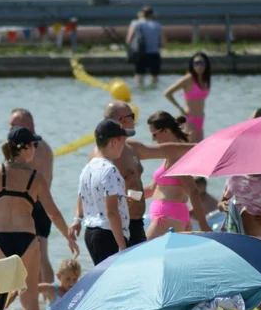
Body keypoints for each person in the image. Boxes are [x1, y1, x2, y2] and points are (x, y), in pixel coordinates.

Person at [0, 126, 79, 310]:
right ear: (23, 148)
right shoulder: (35, 177)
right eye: (33, 145)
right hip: (26, 240)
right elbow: (53, 212)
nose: (36, 148)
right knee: (29, 299)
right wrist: (68, 238)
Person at [82, 101, 196, 248]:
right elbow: (90, 190)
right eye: (132, 116)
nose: (135, 121)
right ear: (123, 119)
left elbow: (163, 150)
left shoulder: (131, 147)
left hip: (136, 224)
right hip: (115, 228)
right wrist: (77, 219)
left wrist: (198, 148)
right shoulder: (103, 154)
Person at [71, 119, 132, 265]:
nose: (124, 145)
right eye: (122, 140)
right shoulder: (110, 170)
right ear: (113, 142)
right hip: (108, 234)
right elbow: (111, 212)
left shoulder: (87, 168)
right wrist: (122, 245)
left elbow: (84, 197)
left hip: (91, 232)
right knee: (115, 283)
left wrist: (78, 220)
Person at [144, 111, 209, 239]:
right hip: (170, 218)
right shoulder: (170, 155)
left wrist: (203, 225)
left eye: (154, 135)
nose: (153, 139)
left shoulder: (178, 157)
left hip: (168, 218)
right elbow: (153, 188)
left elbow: (193, 191)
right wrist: (127, 195)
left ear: (166, 131)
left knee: (143, 255)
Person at [9, 108, 56, 285]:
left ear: (28, 124)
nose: (10, 128)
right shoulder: (42, 145)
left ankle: (47, 297)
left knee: (37, 256)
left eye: (14, 124)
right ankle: (46, 299)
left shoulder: (33, 148)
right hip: (41, 207)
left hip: (33, 208)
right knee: (39, 255)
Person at [161, 52, 211, 141]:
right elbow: (168, 93)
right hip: (190, 118)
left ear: (206, 65)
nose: (199, 66)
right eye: (196, 63)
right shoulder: (188, 79)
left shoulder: (205, 80)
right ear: (192, 65)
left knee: (200, 149)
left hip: (201, 118)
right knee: (188, 148)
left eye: (202, 63)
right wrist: (180, 108)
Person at [126, 6, 164, 86]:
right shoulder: (157, 25)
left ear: (141, 14)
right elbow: (163, 44)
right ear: (152, 14)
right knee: (154, 79)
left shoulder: (135, 23)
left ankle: (140, 97)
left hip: (140, 54)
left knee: (139, 78)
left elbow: (128, 40)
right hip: (154, 54)